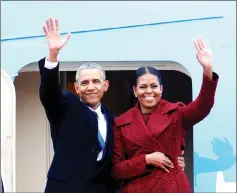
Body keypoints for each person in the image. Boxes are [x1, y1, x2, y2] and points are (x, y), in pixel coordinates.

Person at [39, 18, 186, 193]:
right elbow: (49, 94)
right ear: (77, 88)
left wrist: (172, 161)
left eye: (96, 81)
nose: (91, 87)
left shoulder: (116, 120)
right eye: (85, 83)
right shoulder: (65, 107)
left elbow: (129, 160)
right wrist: (53, 55)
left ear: (105, 86)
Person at [111, 37, 219, 193]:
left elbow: (202, 107)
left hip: (172, 187)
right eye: (143, 87)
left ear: (161, 89)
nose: (149, 91)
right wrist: (147, 160)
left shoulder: (176, 113)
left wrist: (207, 71)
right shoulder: (121, 122)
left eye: (154, 86)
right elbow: (116, 171)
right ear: (135, 91)